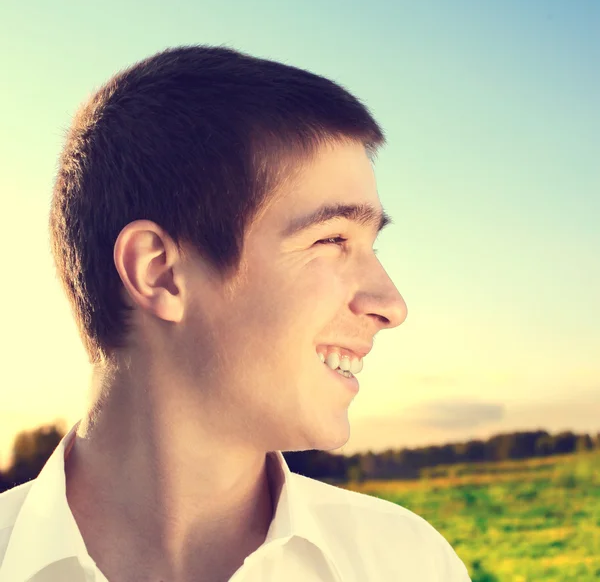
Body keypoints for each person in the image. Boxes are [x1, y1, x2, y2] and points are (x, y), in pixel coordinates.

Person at [0, 45, 471, 582]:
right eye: (332, 239)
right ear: (159, 272)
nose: (392, 305)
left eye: (371, 247)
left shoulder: (407, 564)